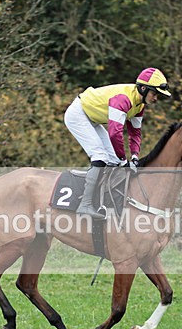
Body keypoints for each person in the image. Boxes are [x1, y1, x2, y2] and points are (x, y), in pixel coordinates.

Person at [64, 67, 171, 218]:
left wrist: (134, 157)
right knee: (100, 156)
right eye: (154, 93)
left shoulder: (139, 105)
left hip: (92, 119)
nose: (155, 98)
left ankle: (104, 200)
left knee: (113, 160)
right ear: (143, 88)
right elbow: (115, 133)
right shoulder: (123, 99)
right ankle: (85, 204)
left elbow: (135, 133)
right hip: (78, 114)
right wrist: (123, 161)